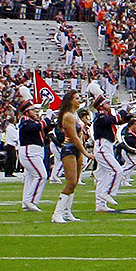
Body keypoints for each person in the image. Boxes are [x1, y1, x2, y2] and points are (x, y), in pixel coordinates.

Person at [52, 92, 88, 223]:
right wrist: (85, 152)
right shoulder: (68, 116)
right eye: (77, 98)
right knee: (71, 182)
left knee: (75, 182)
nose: (79, 101)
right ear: (70, 101)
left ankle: (67, 211)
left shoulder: (75, 115)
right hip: (69, 148)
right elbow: (73, 137)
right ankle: (57, 213)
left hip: (76, 149)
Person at [18, 104, 49, 212]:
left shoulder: (32, 121)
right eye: (32, 110)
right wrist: (47, 119)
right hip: (30, 151)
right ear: (26, 112)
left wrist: (50, 121)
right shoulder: (25, 122)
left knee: (30, 177)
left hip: (35, 151)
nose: (35, 112)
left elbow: (44, 129)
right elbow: (37, 127)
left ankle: (26, 203)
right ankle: (31, 201)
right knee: (41, 175)